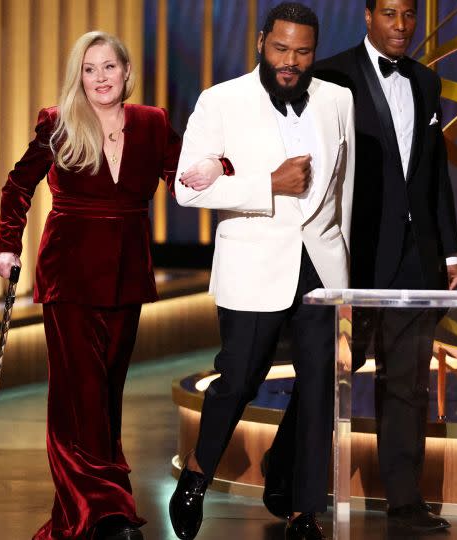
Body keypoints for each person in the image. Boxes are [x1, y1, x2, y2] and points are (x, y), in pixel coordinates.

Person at [168, 3, 355, 539]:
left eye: (302, 52)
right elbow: (186, 187)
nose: (290, 62)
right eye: (281, 49)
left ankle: (303, 512)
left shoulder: (337, 99)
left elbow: (344, 194)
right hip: (252, 263)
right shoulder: (221, 101)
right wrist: (266, 184)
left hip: (320, 266)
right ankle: (200, 472)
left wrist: (345, 277)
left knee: (321, 387)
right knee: (240, 378)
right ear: (260, 43)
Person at [0, 31, 183, 540]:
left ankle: (80, 514)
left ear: (126, 72)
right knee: (80, 396)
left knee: (105, 397)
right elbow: (18, 184)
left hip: (126, 276)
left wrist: (225, 169)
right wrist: (7, 245)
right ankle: (107, 511)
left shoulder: (152, 123)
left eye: (108, 67)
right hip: (69, 275)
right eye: (89, 69)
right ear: (80, 76)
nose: (100, 78)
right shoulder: (58, 123)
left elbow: (184, 177)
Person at [314, 0, 457, 533]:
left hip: (414, 256)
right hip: (354, 254)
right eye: (391, 15)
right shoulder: (331, 75)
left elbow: (433, 170)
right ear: (368, 17)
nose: (402, 26)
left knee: (407, 382)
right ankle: (297, 485)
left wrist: (448, 249)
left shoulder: (426, 82)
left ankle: (404, 499)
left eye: (408, 16)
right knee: (326, 375)